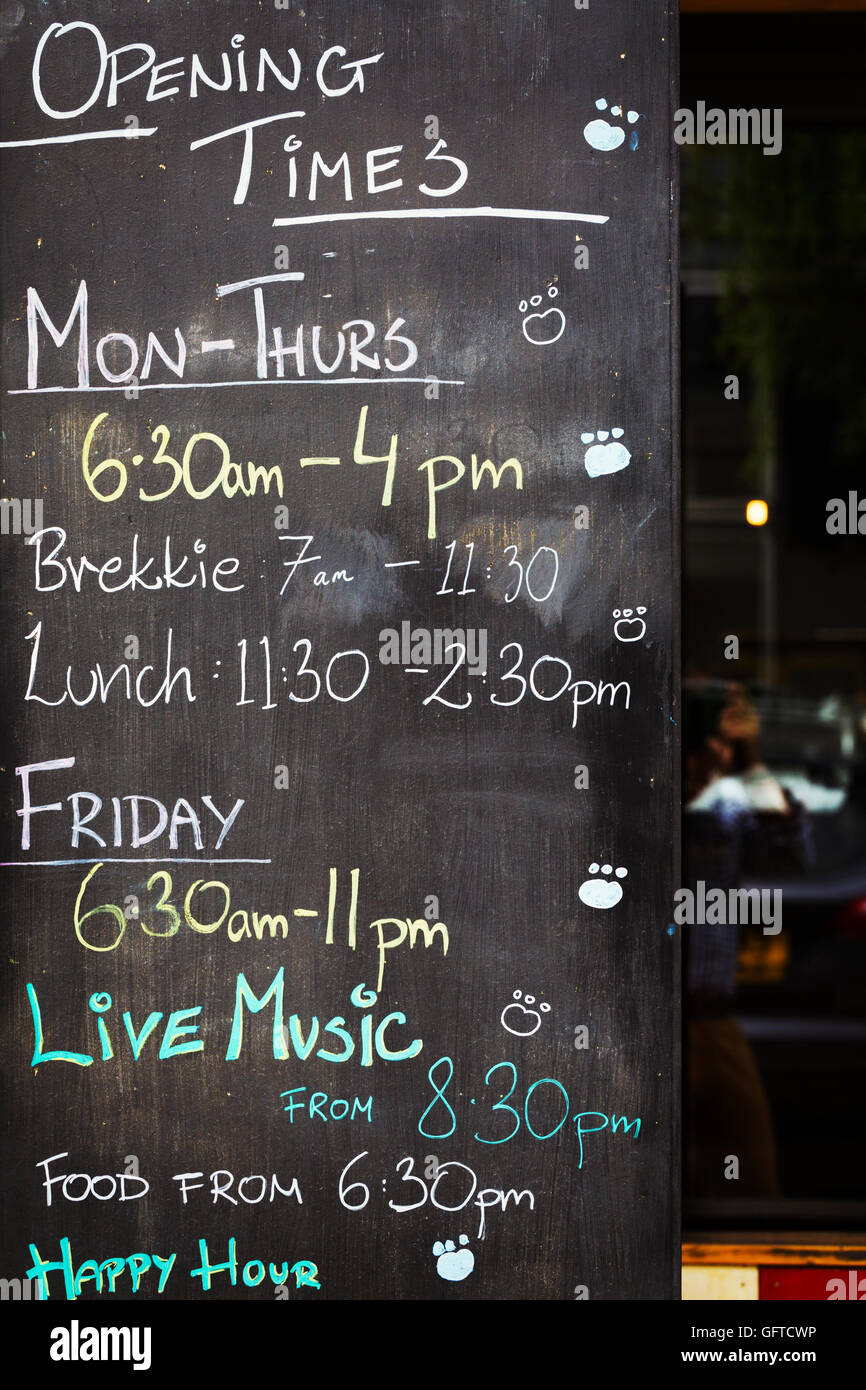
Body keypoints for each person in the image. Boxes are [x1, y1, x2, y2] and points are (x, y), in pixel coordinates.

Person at [684, 682, 811, 1199]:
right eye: (711, 740)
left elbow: (791, 849)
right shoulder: (636, 804)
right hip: (645, 1026)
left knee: (752, 1176)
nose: (723, 752)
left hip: (714, 1019)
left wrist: (753, 760)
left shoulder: (726, 812)